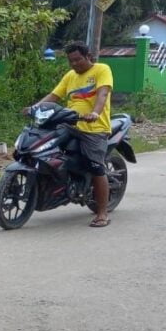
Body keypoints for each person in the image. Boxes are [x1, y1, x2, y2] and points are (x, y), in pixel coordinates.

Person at [29, 41, 114, 228]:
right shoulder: (70, 76)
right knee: (47, 149)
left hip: (94, 128)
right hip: (69, 125)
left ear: (88, 57)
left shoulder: (101, 70)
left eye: (78, 60)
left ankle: (102, 213)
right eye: (71, 61)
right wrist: (34, 108)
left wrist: (95, 113)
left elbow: (102, 94)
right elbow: (54, 96)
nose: (74, 64)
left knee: (96, 167)